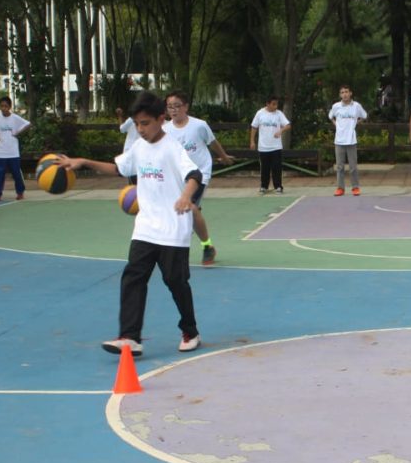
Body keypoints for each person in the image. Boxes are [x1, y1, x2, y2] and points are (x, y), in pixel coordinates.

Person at [55, 92, 203, 356]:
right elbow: (119, 168)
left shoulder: (172, 148)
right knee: (133, 276)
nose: (140, 129)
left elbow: (194, 174)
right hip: (146, 227)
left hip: (173, 229)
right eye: (137, 124)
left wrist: (184, 196)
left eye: (145, 123)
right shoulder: (139, 146)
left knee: (175, 281)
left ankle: (190, 330)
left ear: (161, 119)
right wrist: (84, 162)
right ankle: (130, 337)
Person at [164, 91, 234, 265]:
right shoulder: (165, 129)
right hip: (178, 176)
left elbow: (212, 142)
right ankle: (207, 246)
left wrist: (224, 157)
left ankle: (190, 249)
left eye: (177, 106)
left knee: (190, 208)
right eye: (170, 106)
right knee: (189, 211)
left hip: (200, 173)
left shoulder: (199, 125)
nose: (173, 110)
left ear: (186, 107)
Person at [0, 96, 30, 201]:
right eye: (2, 106)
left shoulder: (15, 118)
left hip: (13, 152)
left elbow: (27, 124)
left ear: (10, 107)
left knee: (16, 173)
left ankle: (20, 192)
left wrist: (18, 132)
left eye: (6, 106)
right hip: (0, 152)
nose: (4, 108)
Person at [329, 85, 368, 196]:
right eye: (342, 92)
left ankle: (355, 187)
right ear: (340, 95)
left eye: (346, 92)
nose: (344, 94)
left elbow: (364, 116)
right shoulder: (336, 106)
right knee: (340, 166)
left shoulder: (356, 106)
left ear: (350, 93)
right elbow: (330, 116)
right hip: (339, 141)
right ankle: (340, 188)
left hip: (351, 140)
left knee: (353, 166)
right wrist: (336, 124)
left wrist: (355, 123)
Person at [249, 94, 291, 194]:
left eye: (276, 104)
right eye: (273, 104)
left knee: (277, 167)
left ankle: (278, 186)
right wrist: (252, 141)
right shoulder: (260, 113)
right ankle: (264, 186)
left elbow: (288, 125)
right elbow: (254, 127)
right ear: (267, 104)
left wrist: (280, 131)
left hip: (276, 146)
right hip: (263, 147)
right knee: (264, 168)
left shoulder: (279, 114)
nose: (275, 106)